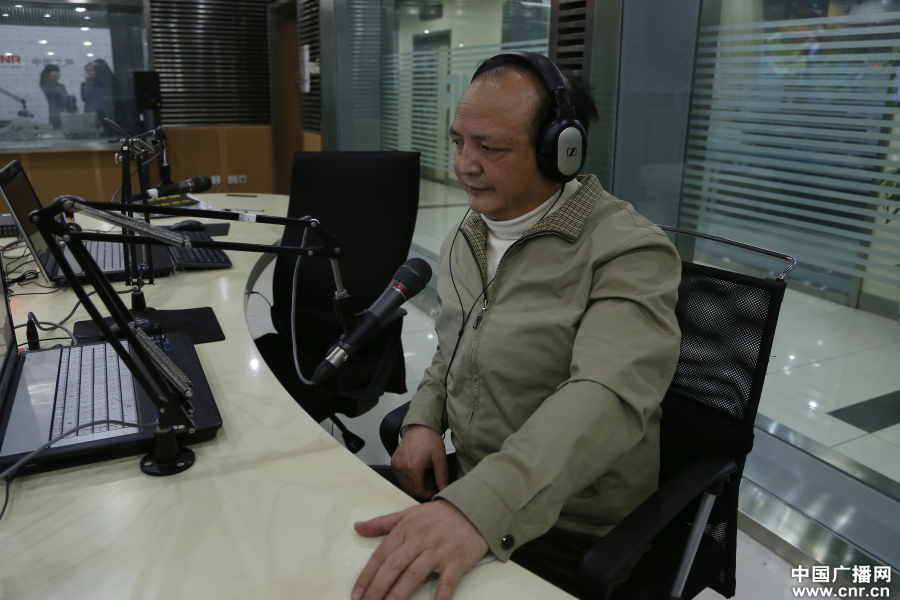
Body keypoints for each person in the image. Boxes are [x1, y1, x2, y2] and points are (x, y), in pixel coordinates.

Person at [351, 52, 683, 600]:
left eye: (491, 148)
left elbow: (605, 393)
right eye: (459, 142)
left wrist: (479, 508)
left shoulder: (628, 251)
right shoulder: (468, 234)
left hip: (569, 526)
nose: (465, 164)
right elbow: (453, 348)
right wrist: (423, 418)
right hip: (470, 484)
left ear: (561, 152)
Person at [81, 59, 115, 132]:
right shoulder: (85, 84)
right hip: (91, 114)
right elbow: (85, 98)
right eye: (87, 70)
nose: (89, 72)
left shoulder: (106, 83)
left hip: (106, 114)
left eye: (92, 70)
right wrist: (88, 82)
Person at [39, 64, 71, 129]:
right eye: (55, 72)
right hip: (58, 117)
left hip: (62, 115)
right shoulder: (49, 86)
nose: (57, 74)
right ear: (48, 74)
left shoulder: (57, 85)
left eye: (58, 72)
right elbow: (63, 99)